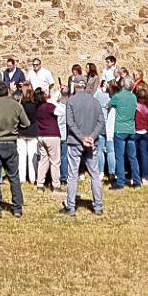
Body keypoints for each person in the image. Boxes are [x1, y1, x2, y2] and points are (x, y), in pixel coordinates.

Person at [0, 82, 29, 217]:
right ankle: (17, 208)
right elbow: (26, 123)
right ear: (8, 91)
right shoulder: (16, 105)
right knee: (14, 176)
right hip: (11, 143)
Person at [61, 77, 105, 215]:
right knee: (94, 174)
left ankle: (71, 206)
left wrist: (82, 138)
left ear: (75, 86)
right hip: (92, 142)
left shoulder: (71, 101)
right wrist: (91, 137)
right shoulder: (95, 101)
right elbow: (101, 122)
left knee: (73, 174)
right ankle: (98, 205)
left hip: (75, 142)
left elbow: (70, 122)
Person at [107, 79, 137, 188]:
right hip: (131, 128)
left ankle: (120, 182)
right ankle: (137, 180)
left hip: (120, 128)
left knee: (119, 157)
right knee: (133, 156)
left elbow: (109, 104)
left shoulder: (118, 96)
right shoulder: (133, 97)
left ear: (123, 85)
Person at [29, 88, 60, 189]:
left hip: (41, 135)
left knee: (43, 160)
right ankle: (56, 184)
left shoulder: (37, 108)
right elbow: (62, 111)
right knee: (55, 161)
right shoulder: (49, 106)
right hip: (52, 135)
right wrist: (54, 101)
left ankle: (40, 183)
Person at [131, 86, 148, 187]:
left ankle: (134, 176)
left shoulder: (135, 107)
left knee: (134, 156)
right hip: (145, 132)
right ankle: (144, 177)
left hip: (136, 131)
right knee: (144, 156)